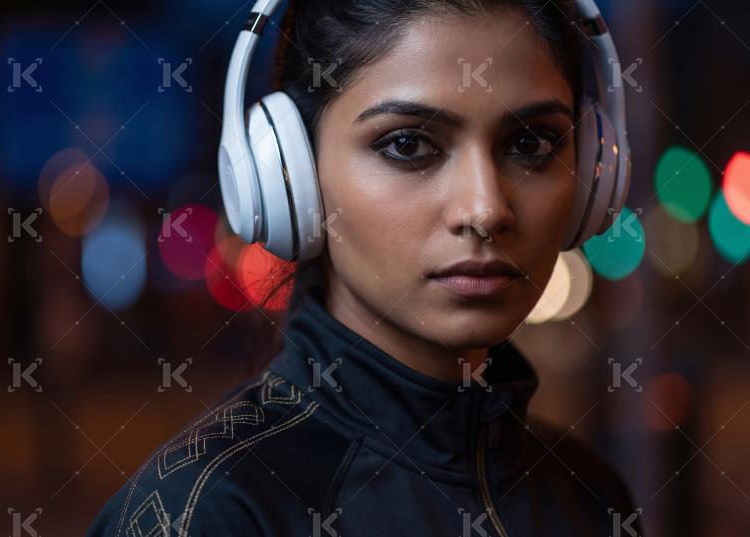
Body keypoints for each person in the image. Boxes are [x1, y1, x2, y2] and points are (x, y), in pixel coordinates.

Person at [88, 0, 643, 535]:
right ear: (292, 175)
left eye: (530, 143)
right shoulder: (202, 515)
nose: (486, 209)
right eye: (407, 145)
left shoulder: (590, 496)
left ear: (594, 172)